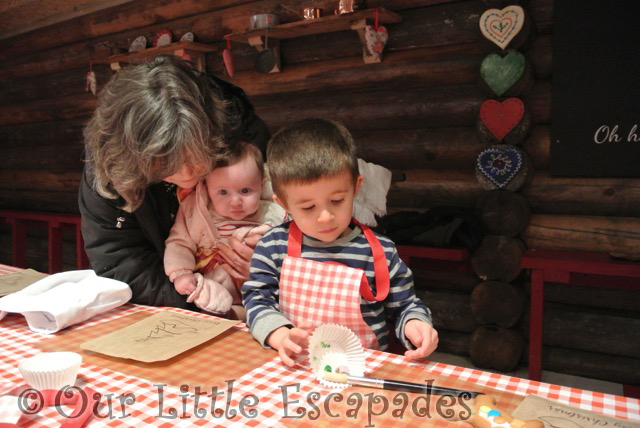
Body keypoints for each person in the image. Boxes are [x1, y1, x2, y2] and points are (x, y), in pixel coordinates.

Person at [242, 118, 438, 366]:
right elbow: (257, 299)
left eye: (337, 201)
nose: (325, 217)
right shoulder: (273, 246)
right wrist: (278, 335)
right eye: (308, 207)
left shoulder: (380, 252)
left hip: (362, 371)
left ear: (355, 188)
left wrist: (415, 324)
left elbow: (404, 306)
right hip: (296, 365)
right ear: (283, 204)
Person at [79, 55, 270, 309]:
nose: (187, 174)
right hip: (175, 304)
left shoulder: (245, 142)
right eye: (164, 163)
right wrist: (202, 298)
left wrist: (273, 272)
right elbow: (121, 263)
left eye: (198, 156)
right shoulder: (109, 169)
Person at [164, 142, 286, 320]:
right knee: (210, 302)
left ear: (262, 185)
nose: (235, 201)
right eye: (222, 192)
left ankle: (243, 315)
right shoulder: (196, 211)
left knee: (265, 310)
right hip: (215, 286)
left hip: (263, 292)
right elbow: (179, 242)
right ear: (207, 188)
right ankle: (224, 313)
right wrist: (181, 273)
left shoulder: (275, 214)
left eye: (245, 190)